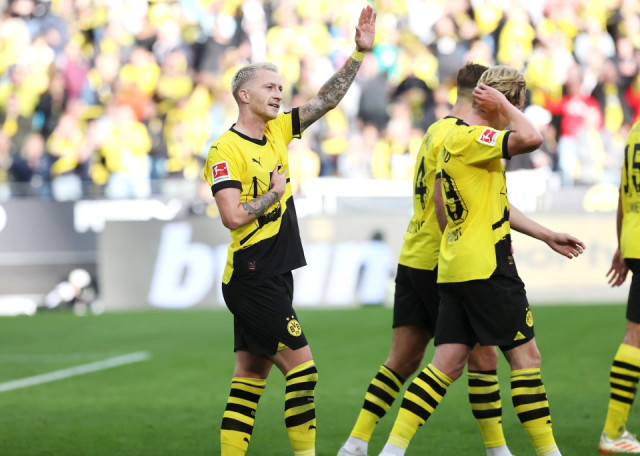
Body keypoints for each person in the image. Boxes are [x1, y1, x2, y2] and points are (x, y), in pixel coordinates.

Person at [377, 65, 586, 456]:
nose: (513, 114)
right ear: (497, 102)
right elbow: (532, 137)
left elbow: (466, 201)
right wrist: (506, 105)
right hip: (488, 266)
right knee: (527, 359)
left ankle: (392, 450)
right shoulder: (474, 137)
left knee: (447, 363)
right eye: (514, 104)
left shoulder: (453, 138)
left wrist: (545, 234)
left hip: (456, 266)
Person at [203, 6, 376, 456]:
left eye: (280, 87)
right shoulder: (224, 149)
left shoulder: (278, 129)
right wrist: (274, 195)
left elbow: (326, 101)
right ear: (244, 95)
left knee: (250, 378)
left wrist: (358, 54)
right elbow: (232, 216)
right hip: (252, 275)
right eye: (270, 87)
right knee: (304, 371)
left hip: (274, 273)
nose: (279, 94)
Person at [338, 63, 515, 456]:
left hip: (413, 254)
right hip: (441, 259)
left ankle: (355, 443)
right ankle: (497, 450)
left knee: (402, 360)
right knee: (480, 356)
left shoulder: (435, 130)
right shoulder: (463, 135)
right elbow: (445, 200)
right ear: (484, 93)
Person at [599, 119, 640, 454]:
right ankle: (612, 433)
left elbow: (623, 194)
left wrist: (622, 245)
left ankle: (614, 432)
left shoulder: (634, 132)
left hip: (634, 238)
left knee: (635, 335)